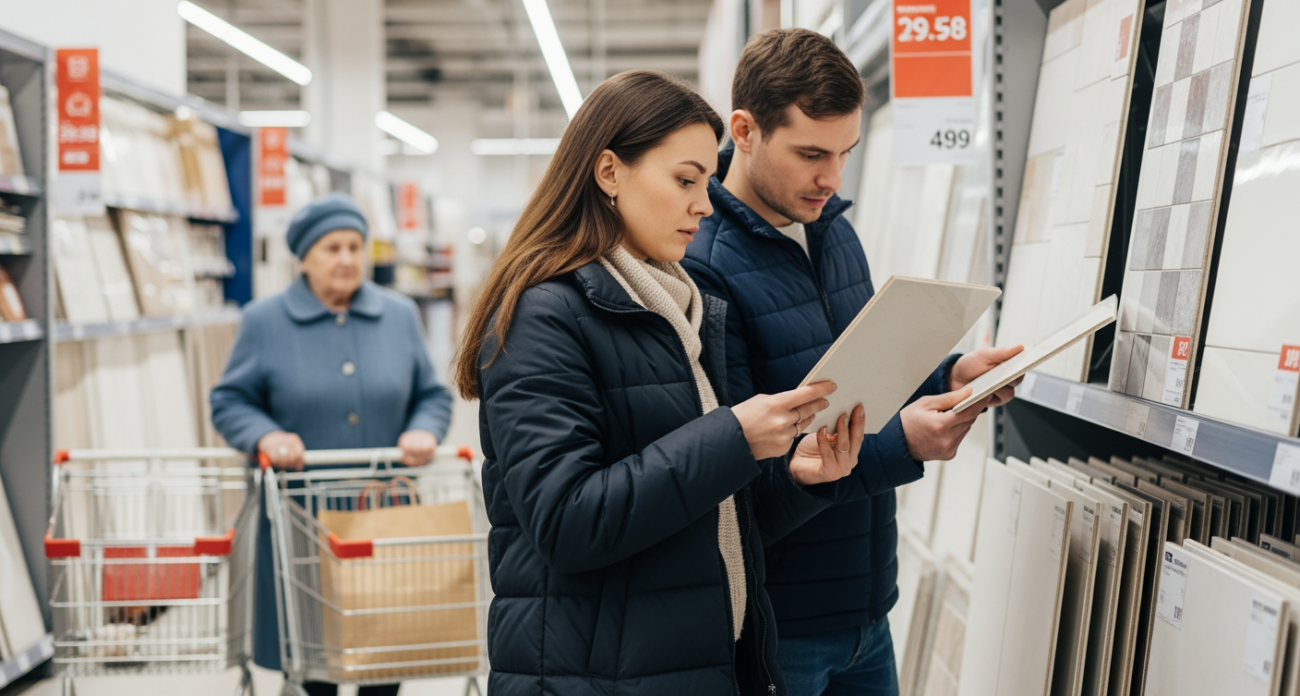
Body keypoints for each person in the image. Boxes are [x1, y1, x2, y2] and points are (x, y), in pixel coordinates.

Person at [452, 70, 869, 696]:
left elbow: (709, 517)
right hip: (591, 678)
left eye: (705, 181)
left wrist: (798, 478)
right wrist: (732, 437)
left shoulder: (676, 307)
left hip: (679, 664)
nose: (703, 203)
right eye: (684, 179)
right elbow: (568, 522)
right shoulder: (543, 316)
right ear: (609, 172)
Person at [683, 30, 1021, 696]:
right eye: (812, 153)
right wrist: (903, 446)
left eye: (845, 153)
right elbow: (741, 471)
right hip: (784, 622)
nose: (832, 179)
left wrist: (945, 376)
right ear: (745, 131)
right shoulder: (704, 267)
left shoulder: (832, 229)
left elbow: (856, 374)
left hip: (867, 606)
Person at [210, 192, 454, 696]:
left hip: (386, 514)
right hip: (302, 520)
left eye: (354, 246)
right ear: (304, 258)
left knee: (385, 658)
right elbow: (230, 400)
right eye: (331, 248)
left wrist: (424, 428)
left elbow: (432, 394)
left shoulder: (399, 314)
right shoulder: (265, 321)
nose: (346, 259)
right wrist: (267, 434)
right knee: (313, 664)